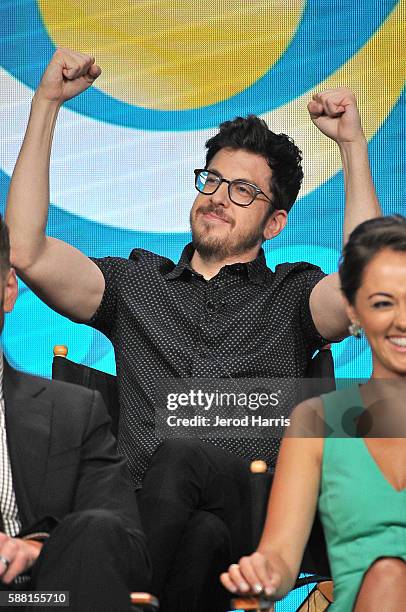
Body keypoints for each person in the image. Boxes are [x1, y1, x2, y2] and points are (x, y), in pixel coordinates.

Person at [6, 48, 382, 610]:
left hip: (253, 517)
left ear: (275, 222)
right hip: (151, 517)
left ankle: (100, 590)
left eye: (243, 191)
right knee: (196, 533)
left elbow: (363, 287)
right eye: (212, 180)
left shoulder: (292, 295)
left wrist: (352, 147)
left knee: (183, 459)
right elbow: (28, 252)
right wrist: (46, 105)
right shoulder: (136, 285)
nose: (218, 198)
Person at [220, 215, 406, 611]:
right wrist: (261, 573)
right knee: (387, 575)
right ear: (354, 313)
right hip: (362, 600)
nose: (402, 320)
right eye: (383, 303)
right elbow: (280, 557)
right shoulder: (317, 421)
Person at [0, 217, 151, 610]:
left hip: (44, 597)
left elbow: (130, 552)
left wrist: (37, 551)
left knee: (96, 529)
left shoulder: (73, 412)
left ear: (8, 289)